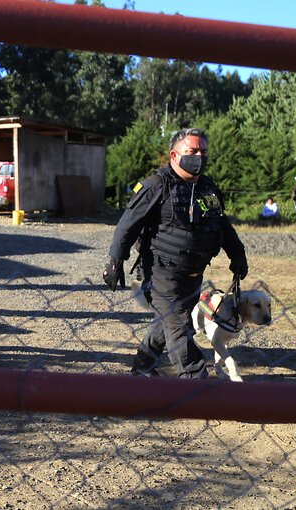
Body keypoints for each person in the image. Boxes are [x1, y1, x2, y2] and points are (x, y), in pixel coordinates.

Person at [103, 127, 249, 379]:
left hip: (193, 274)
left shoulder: (208, 189)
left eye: (203, 151)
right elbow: (128, 224)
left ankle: (142, 368)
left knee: (167, 322)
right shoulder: (156, 186)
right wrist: (115, 261)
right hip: (161, 273)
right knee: (180, 327)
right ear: (174, 155)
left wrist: (238, 255)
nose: (199, 156)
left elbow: (222, 224)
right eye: (192, 151)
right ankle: (196, 382)